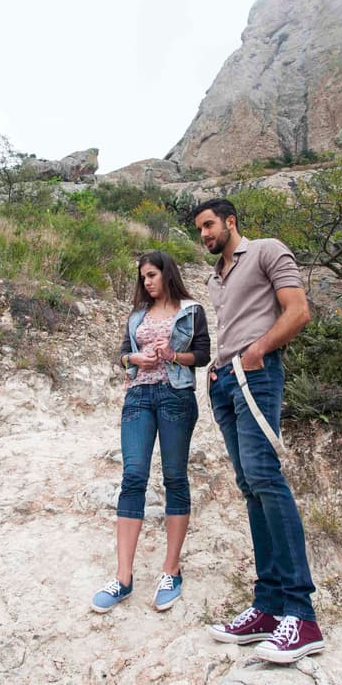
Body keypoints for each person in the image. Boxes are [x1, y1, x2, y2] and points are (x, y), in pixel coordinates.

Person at [192, 197, 323, 664]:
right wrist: (216, 368)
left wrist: (257, 351)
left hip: (257, 374)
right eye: (200, 230)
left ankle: (301, 616)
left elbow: (298, 311)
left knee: (267, 479)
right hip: (225, 381)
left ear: (231, 221)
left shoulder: (267, 250)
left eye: (209, 225)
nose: (205, 235)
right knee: (250, 487)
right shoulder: (215, 278)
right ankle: (268, 607)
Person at [91, 251, 210, 613]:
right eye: (143, 277)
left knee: (174, 477)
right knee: (133, 478)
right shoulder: (137, 316)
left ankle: (171, 571)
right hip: (138, 396)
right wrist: (134, 359)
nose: (147, 282)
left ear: (168, 274)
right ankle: (123, 578)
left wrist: (173, 355)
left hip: (175, 396)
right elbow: (123, 354)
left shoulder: (191, 310)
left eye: (153, 275)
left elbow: (202, 355)